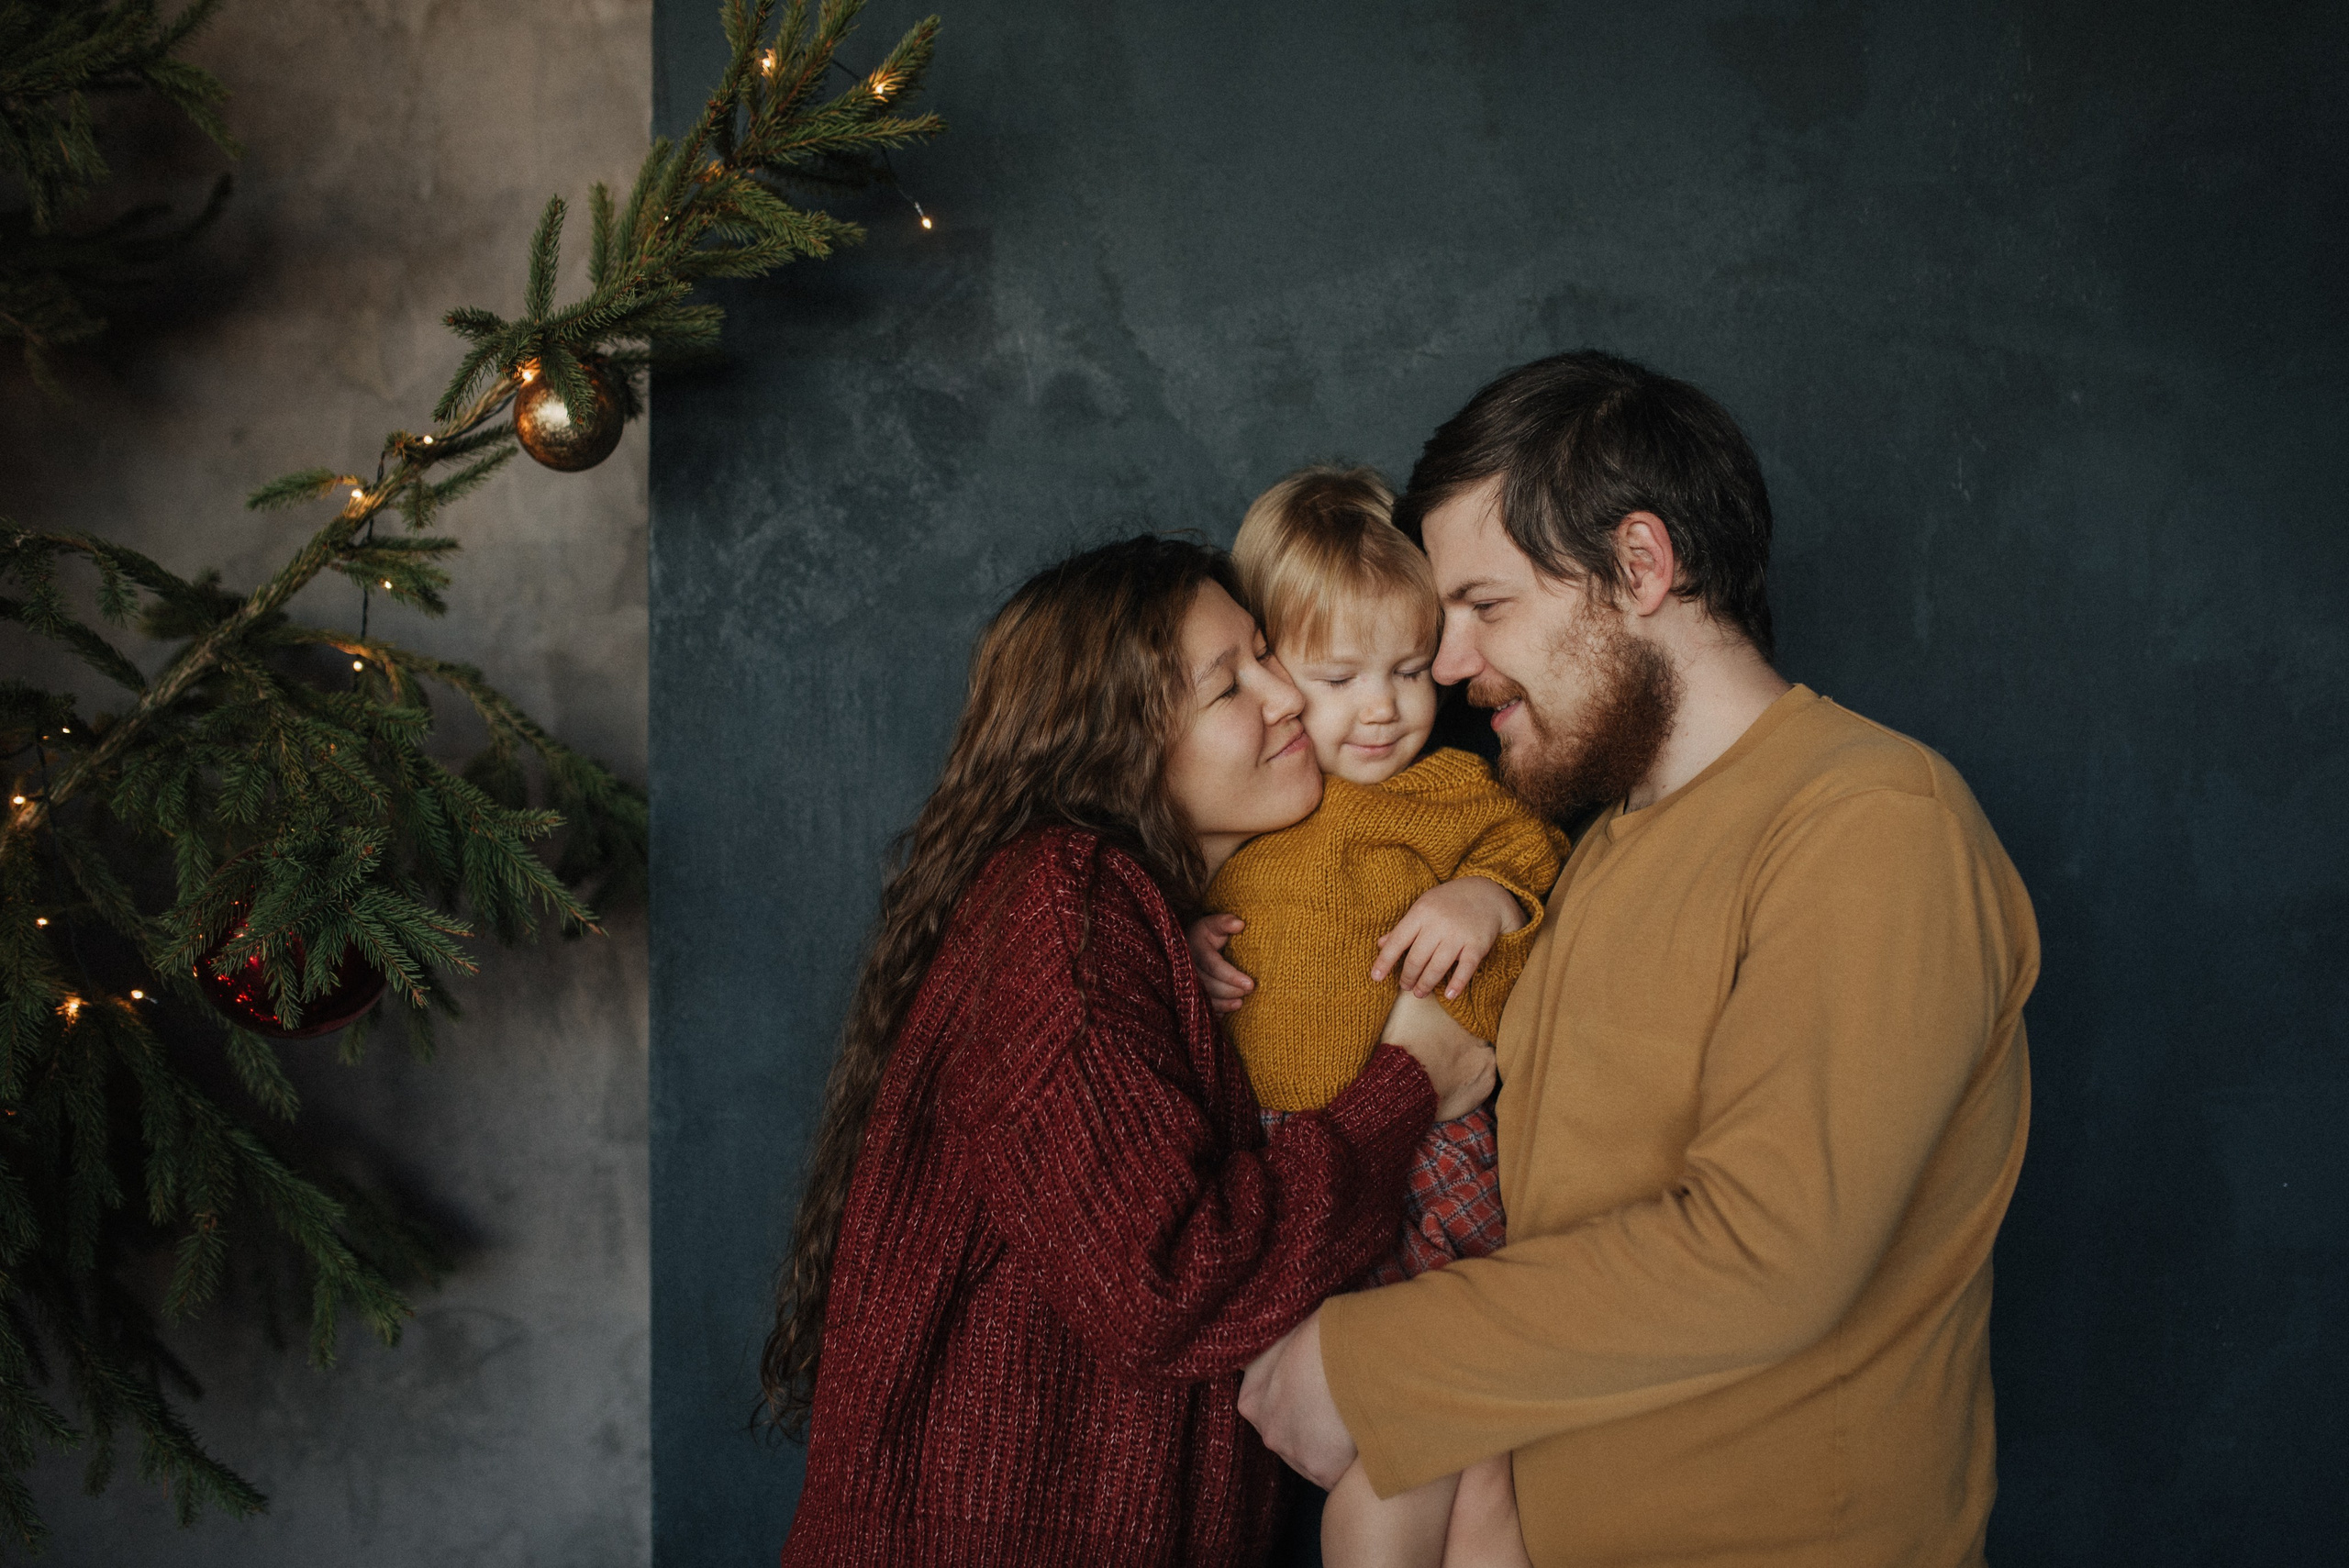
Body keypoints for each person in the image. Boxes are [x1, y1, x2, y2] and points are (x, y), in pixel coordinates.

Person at [1238, 351, 2040, 1567]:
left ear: (1642, 567)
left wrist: (1369, 1366)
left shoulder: (1874, 819)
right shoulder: (1595, 855)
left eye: (1487, 607)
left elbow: (1771, 1256)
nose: (1448, 664)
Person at [764, 535, 1499, 1568]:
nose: (1286, 696)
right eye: (1227, 684)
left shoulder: (1157, 926)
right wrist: (1409, 1082)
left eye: (1266, 654)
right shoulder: (1064, 897)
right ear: (1118, 740)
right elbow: (1166, 1281)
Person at [1188, 466, 1564, 1568]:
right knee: (1400, 1438)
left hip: (1436, 1149)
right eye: (1338, 675)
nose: (1384, 705)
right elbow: (1170, 885)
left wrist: (1482, 895)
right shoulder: (1250, 794)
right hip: (1285, 1159)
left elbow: (1534, 860)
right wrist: (1189, 942)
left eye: (1408, 668)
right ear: (1268, 665)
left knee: (1469, 1419)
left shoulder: (1448, 790)